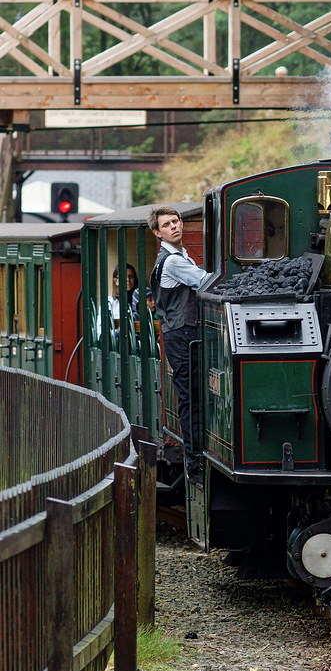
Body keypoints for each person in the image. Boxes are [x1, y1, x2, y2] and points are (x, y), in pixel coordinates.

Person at [149, 205, 208, 483]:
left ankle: (195, 457)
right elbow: (204, 282)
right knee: (190, 397)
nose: (175, 226)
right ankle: (194, 463)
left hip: (181, 332)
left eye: (176, 221)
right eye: (167, 224)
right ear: (157, 233)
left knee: (192, 396)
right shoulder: (172, 261)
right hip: (181, 334)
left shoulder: (179, 256)